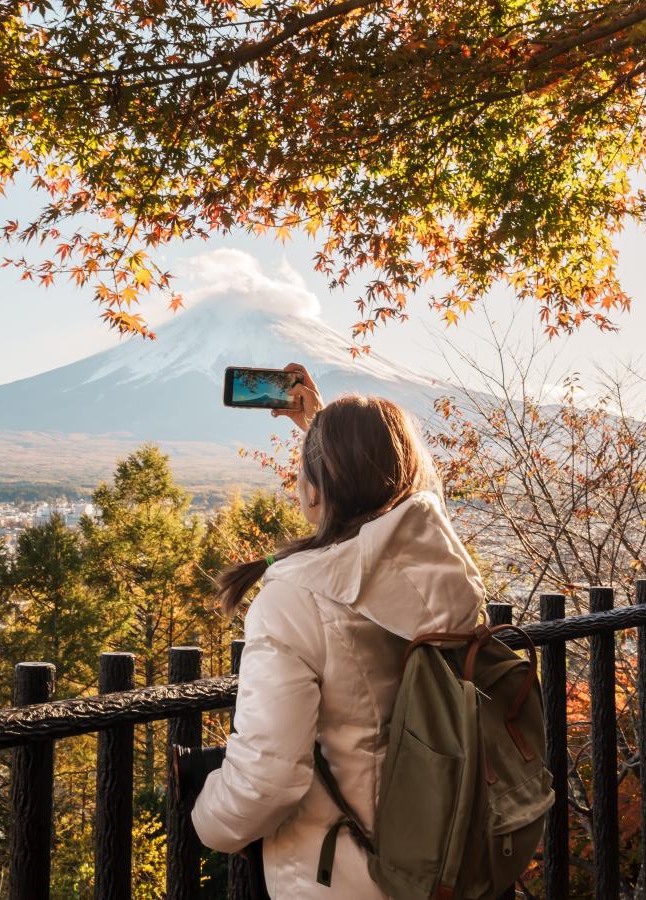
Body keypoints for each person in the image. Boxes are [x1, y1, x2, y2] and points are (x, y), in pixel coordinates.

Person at [191, 363, 486, 898]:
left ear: (313, 489)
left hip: (342, 872)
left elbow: (267, 780)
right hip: (442, 852)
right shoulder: (448, 576)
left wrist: (205, 819)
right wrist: (327, 430)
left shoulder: (295, 600)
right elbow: (394, 513)